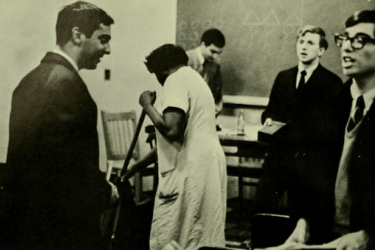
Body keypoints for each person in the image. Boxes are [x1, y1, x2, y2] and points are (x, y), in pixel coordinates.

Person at [4, 2, 118, 249]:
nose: (108, 49)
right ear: (77, 35)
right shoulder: (69, 86)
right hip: (59, 231)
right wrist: (104, 190)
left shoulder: (30, 80)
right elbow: (73, 170)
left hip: (24, 228)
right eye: (103, 39)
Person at [285, 10, 375, 250]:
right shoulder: (333, 102)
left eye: (360, 40)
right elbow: (315, 170)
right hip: (325, 233)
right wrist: (305, 222)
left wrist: (369, 236)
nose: (346, 47)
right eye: (345, 38)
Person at [123, 44, 227, 250]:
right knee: (201, 237)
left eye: (156, 75)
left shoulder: (175, 79)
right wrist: (136, 167)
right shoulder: (195, 79)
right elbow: (172, 143)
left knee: (175, 237)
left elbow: (171, 131)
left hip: (190, 170)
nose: (158, 81)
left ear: (163, 69)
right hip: (206, 167)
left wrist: (147, 105)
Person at [254, 25, 346, 234]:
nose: (303, 47)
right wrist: (268, 119)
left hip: (308, 165)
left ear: (321, 51)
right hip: (278, 158)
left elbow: (329, 130)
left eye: (310, 43)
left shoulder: (332, 83)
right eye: (301, 42)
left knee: (300, 220)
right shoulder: (283, 77)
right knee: (262, 208)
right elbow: (270, 110)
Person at [186, 28, 225, 116]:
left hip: (204, 116)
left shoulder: (215, 65)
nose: (215, 57)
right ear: (203, 45)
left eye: (218, 53)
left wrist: (214, 111)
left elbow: (217, 93)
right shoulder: (186, 59)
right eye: (213, 51)